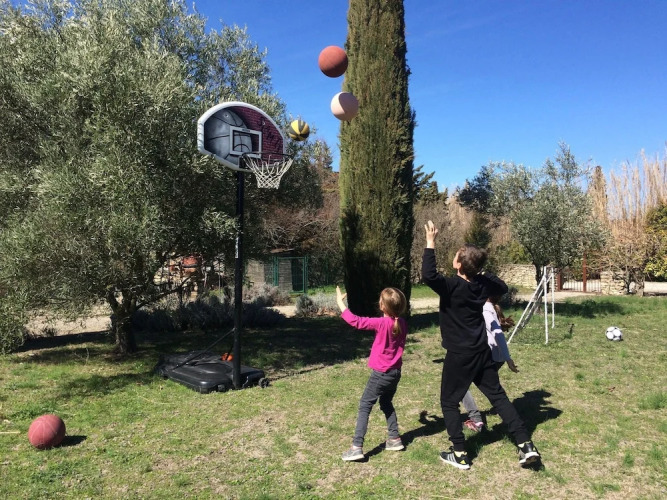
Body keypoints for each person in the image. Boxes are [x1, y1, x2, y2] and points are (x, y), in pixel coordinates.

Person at [421, 220, 540, 470]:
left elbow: (429, 275)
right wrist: (482, 272)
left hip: (460, 355)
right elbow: (502, 287)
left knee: (449, 402)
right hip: (481, 351)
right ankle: (525, 444)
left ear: (459, 264)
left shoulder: (453, 286)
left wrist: (430, 242)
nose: (454, 257)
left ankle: (460, 453)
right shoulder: (481, 285)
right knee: (498, 397)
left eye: (457, 255)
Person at [336, 285, 408, 462]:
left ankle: (356, 447)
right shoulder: (402, 323)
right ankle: (394, 439)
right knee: (386, 402)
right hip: (395, 373)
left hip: (381, 374)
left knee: (365, 405)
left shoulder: (381, 323)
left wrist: (340, 303)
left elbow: (356, 321)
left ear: (382, 306)